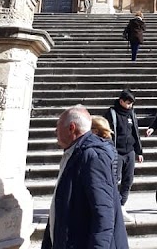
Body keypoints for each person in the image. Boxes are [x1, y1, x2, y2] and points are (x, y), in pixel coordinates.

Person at [41, 105, 128, 249]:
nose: (55, 131)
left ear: (72, 128)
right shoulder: (74, 153)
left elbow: (104, 213)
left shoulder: (92, 156)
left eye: (58, 126)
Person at [104, 89, 143, 223]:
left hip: (130, 151)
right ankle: (112, 205)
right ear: (121, 101)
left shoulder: (131, 113)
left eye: (131, 103)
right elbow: (106, 132)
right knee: (115, 179)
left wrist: (139, 151)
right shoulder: (111, 113)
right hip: (116, 151)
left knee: (128, 179)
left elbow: (135, 132)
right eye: (128, 103)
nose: (130, 106)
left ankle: (121, 205)